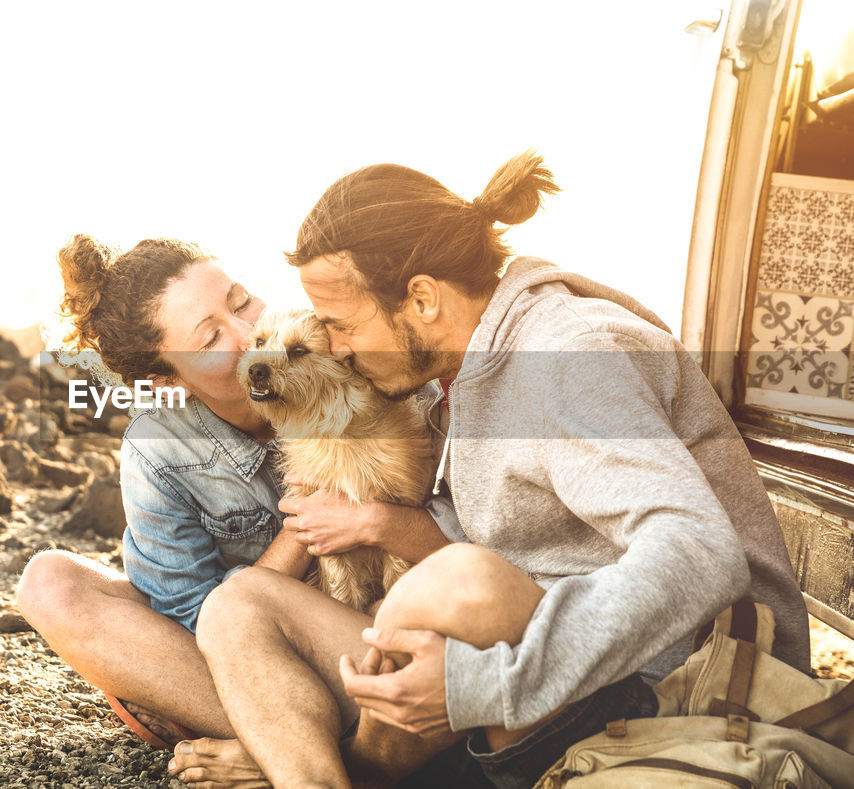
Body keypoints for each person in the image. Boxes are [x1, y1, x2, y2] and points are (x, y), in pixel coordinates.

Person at [193, 153, 812, 789]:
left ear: (423, 298)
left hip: (670, 696)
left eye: (344, 326)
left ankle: (357, 765)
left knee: (461, 582)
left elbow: (700, 551)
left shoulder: (565, 355)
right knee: (236, 605)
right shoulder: (464, 371)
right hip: (538, 677)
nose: (341, 349)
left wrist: (485, 686)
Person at [15, 235, 455, 787]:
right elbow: (200, 625)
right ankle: (294, 739)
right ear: (168, 382)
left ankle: (284, 748)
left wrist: (367, 511)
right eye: (211, 336)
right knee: (48, 583)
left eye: (241, 301)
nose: (249, 337)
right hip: (252, 648)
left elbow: (463, 546)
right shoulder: (156, 448)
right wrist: (306, 520)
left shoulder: (357, 366)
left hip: (371, 630)